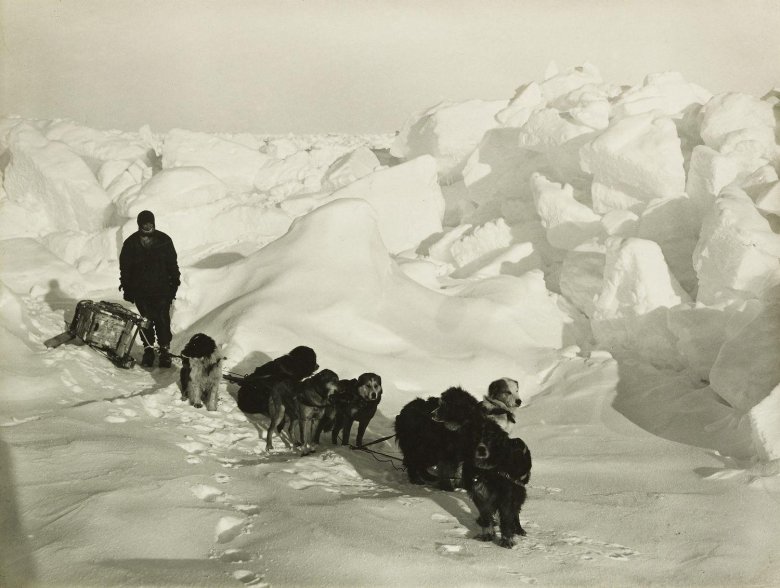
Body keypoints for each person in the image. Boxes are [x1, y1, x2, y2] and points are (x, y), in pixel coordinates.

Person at [119, 210, 180, 368]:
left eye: (150, 224)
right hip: (140, 291)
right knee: (145, 320)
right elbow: (125, 268)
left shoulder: (164, 240)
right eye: (144, 224)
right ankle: (148, 350)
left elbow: (172, 264)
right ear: (139, 225)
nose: (148, 227)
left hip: (162, 289)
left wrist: (175, 281)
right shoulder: (131, 243)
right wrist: (127, 287)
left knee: (162, 319)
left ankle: (164, 351)